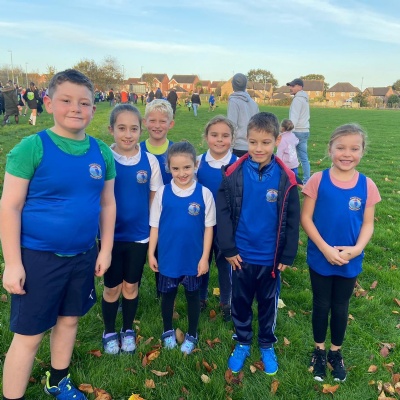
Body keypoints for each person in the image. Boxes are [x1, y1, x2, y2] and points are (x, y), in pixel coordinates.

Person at [0, 69, 116, 400]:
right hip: (38, 259)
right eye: (66, 100)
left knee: (68, 321)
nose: (76, 108)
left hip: (83, 256)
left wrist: (105, 249)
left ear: (94, 108)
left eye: (84, 103)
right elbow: (9, 206)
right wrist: (13, 263)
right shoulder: (31, 148)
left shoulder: (101, 152)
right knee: (30, 335)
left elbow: (107, 204)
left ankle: (58, 380)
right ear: (49, 103)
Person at [216, 112, 300, 375]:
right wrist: (228, 248)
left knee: (268, 304)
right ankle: (242, 340)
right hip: (240, 256)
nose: (258, 148)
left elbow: (292, 218)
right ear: (246, 139)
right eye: (253, 142)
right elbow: (223, 213)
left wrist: (287, 254)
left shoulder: (286, 178)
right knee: (240, 302)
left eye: (265, 142)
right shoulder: (233, 174)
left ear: (277, 141)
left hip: (270, 259)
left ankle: (266, 343)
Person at [301, 123, 381, 382]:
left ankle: (335, 352)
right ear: (330, 149)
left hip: (350, 259)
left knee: (340, 305)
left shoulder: (367, 185)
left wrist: (357, 249)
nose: (347, 154)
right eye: (341, 148)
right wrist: (324, 248)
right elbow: (306, 218)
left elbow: (368, 224)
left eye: (354, 149)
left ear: (362, 151)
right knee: (321, 304)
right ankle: (319, 350)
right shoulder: (318, 180)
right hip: (320, 256)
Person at [101, 104, 163, 355]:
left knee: (130, 286)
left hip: (138, 236)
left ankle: (127, 329)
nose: (128, 134)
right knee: (111, 288)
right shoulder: (104, 157)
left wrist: (151, 230)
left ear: (141, 130)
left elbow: (154, 199)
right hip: (110, 237)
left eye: (134, 129)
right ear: (111, 129)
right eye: (122, 128)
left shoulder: (150, 161)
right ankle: (109, 331)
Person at [148, 141, 216, 354]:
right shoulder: (163, 193)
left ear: (196, 165)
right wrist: (151, 252)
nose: (182, 173)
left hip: (193, 258)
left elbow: (209, 229)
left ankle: (192, 333)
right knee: (167, 295)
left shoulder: (204, 194)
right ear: (169, 168)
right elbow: (155, 225)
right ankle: (167, 330)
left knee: (193, 296)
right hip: (168, 257)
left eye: (187, 167)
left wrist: (204, 258)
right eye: (176, 168)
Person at [197, 115, 237, 321]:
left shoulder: (238, 164)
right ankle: (200, 298)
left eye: (225, 135)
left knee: (225, 264)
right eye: (214, 135)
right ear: (206, 137)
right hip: (202, 225)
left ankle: (226, 302)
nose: (219, 140)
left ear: (232, 138)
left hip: (226, 226)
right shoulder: (197, 163)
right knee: (201, 260)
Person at [141, 99, 175, 298]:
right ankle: (128, 289)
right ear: (144, 122)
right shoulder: (135, 149)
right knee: (137, 253)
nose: (157, 125)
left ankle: (163, 292)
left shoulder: (176, 152)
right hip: (140, 214)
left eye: (163, 121)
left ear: (171, 124)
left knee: (163, 253)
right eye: (152, 120)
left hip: (168, 216)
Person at [227, 73, 259, 157]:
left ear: (233, 85)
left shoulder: (233, 102)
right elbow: (259, 126)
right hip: (253, 146)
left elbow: (231, 126)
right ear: (245, 86)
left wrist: (229, 149)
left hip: (238, 147)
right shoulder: (253, 103)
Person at [287, 78, 310, 184]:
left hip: (296, 131)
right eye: (290, 86)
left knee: (290, 157)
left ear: (300, 87)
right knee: (304, 158)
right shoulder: (305, 99)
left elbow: (294, 117)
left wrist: (288, 131)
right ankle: (306, 181)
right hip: (305, 131)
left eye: (293, 86)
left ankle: (291, 180)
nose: (290, 88)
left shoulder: (297, 99)